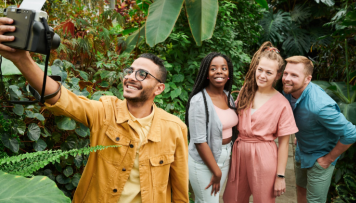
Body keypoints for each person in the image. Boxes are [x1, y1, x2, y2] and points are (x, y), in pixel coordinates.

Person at [0, 17, 189, 203]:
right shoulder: (104, 112)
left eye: (142, 74)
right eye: (130, 71)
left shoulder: (175, 128)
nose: (131, 77)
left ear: (159, 88)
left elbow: (180, 193)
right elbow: (63, 99)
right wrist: (22, 60)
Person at [223, 41, 299, 203]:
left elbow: (285, 144)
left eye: (269, 72)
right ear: (255, 68)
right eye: (260, 70)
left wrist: (280, 176)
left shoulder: (282, 104)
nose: (263, 76)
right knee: (233, 198)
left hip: (265, 156)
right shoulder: (245, 92)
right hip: (239, 152)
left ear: (278, 75)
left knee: (263, 200)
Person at [282, 56, 356, 203]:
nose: (287, 78)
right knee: (300, 190)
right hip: (302, 149)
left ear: (307, 79)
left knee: (314, 201)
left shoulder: (320, 106)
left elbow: (351, 133)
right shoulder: (289, 90)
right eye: (286, 73)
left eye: (294, 75)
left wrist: (328, 159)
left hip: (320, 157)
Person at [186, 52, 238, 203]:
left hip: (225, 156)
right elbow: (199, 141)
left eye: (224, 68)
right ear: (206, 74)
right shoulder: (199, 101)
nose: (219, 71)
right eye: (213, 68)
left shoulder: (228, 96)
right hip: (204, 162)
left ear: (229, 73)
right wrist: (216, 171)